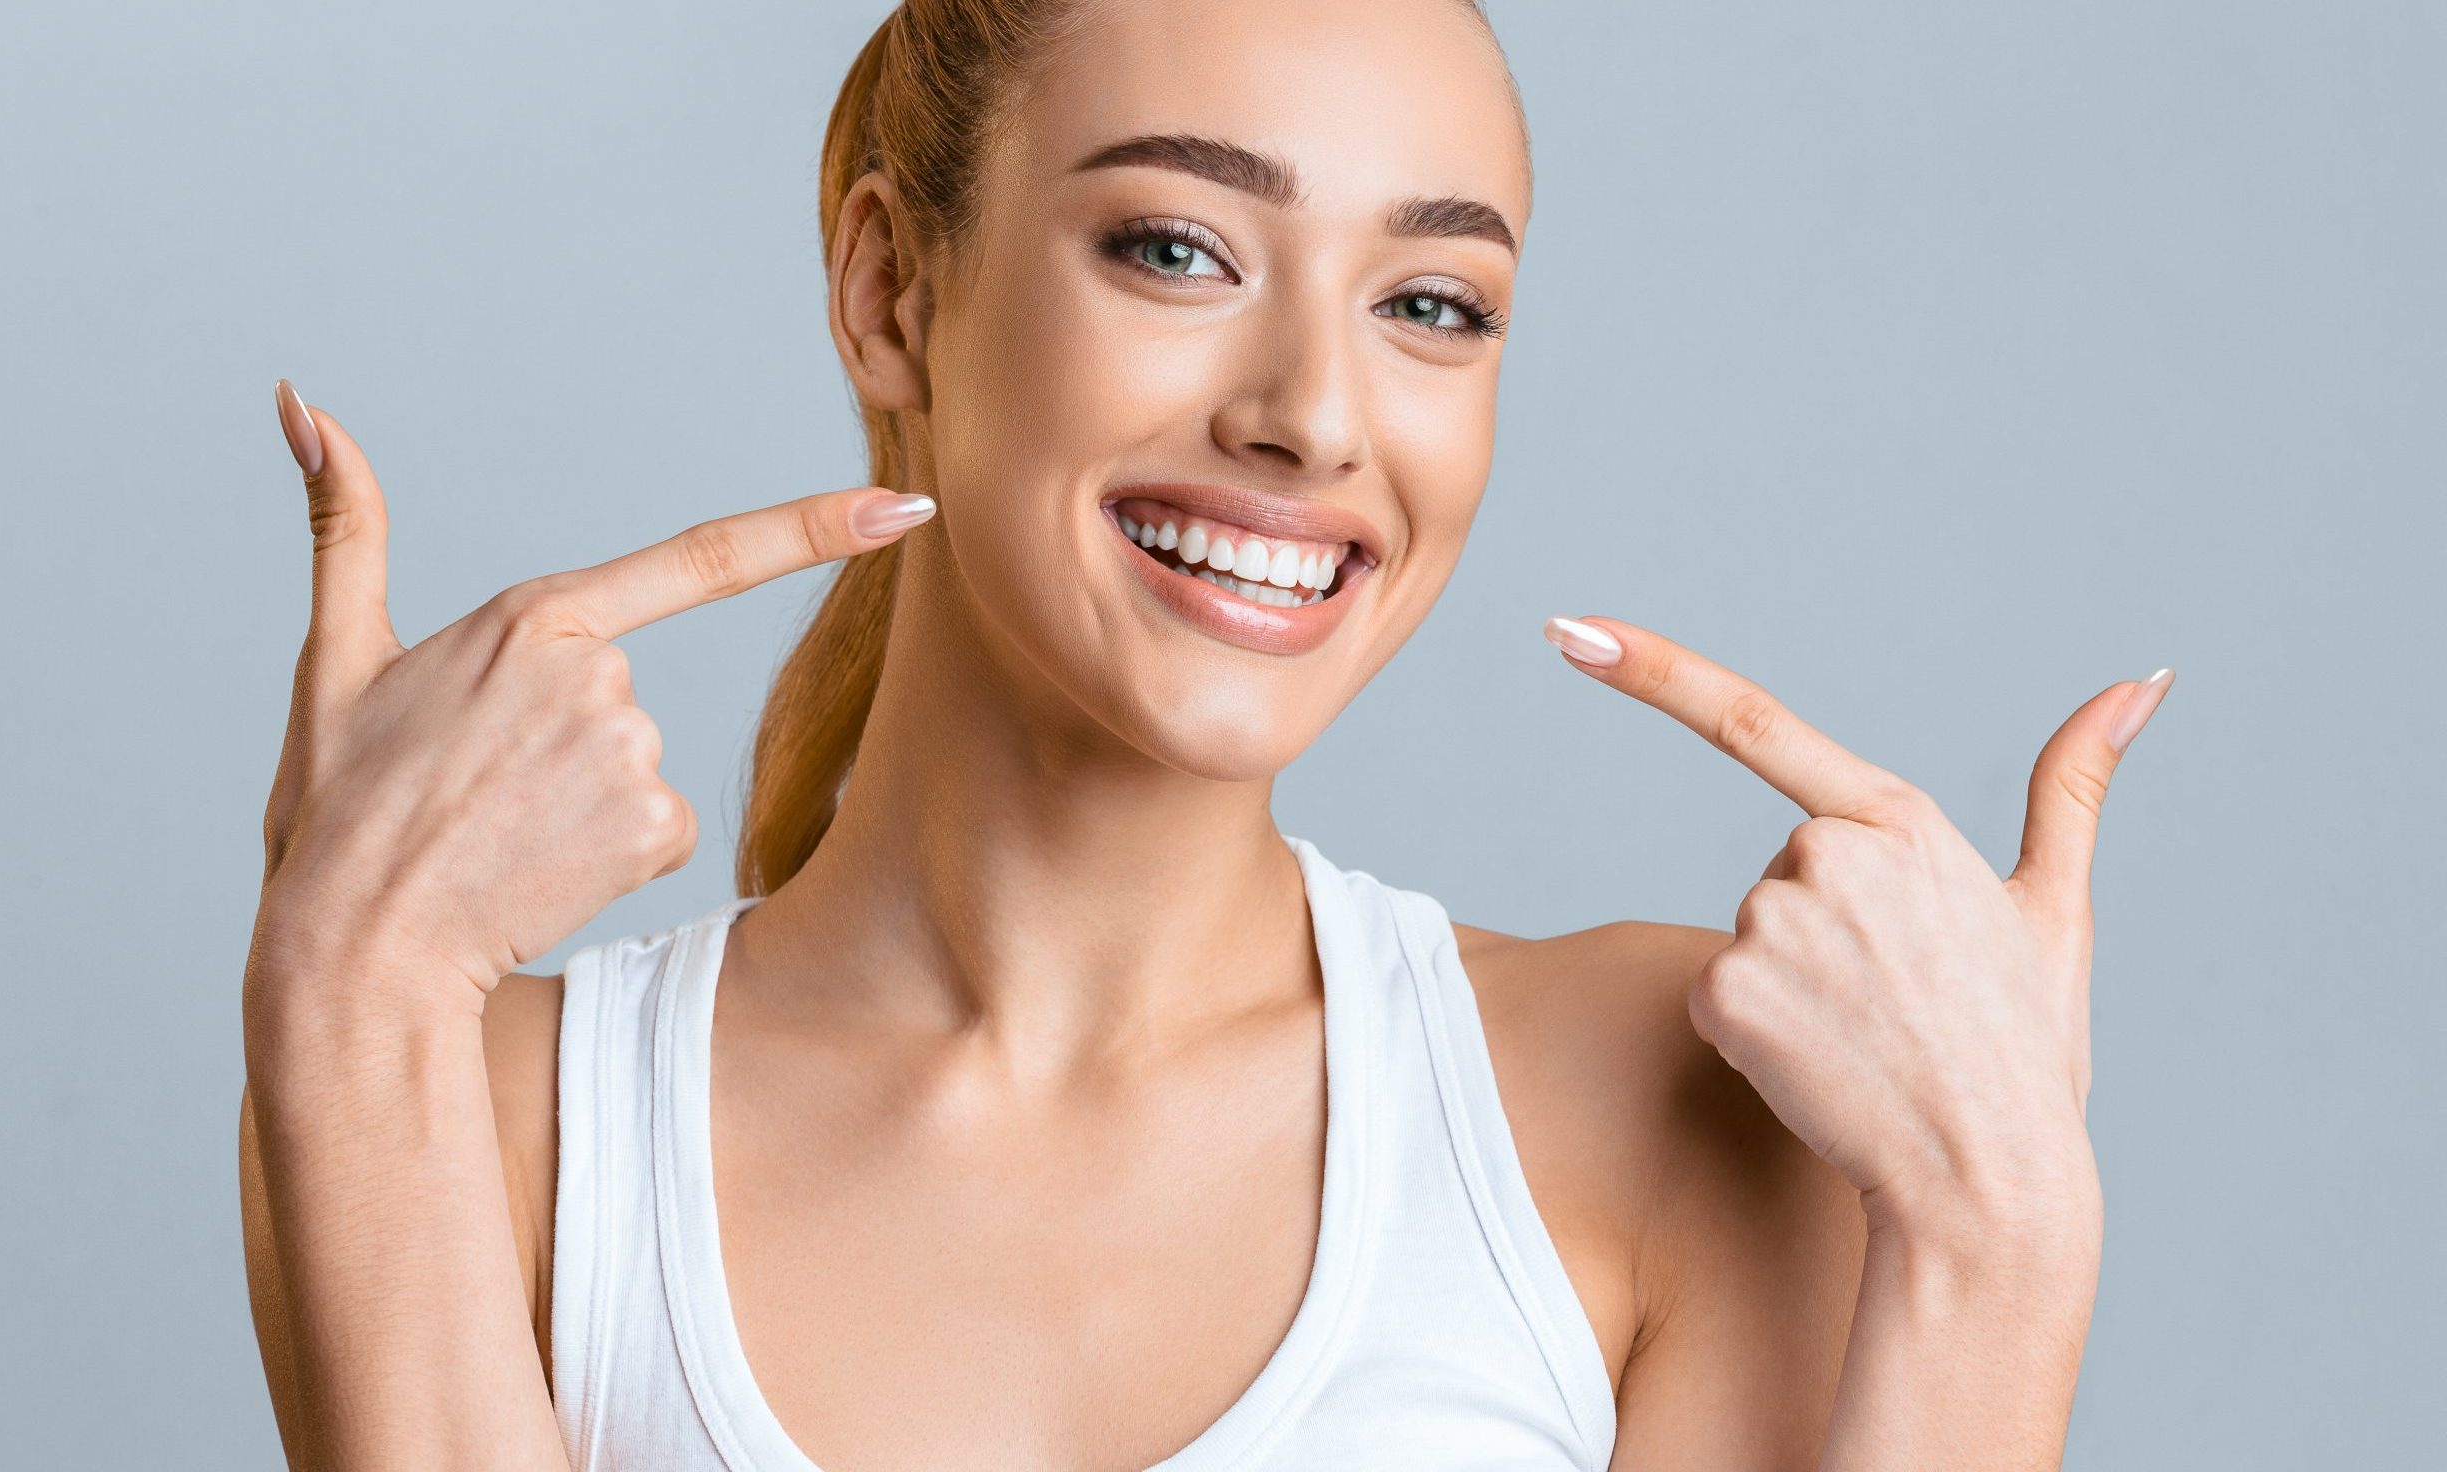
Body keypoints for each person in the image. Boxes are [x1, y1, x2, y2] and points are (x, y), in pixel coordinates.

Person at [236, 0, 2173, 1467]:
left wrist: (2000, 1237)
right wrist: (347, 980)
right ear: (890, 290)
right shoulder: (484, 1103)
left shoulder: (1664, 1110)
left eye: (1432, 303)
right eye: (1177, 250)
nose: (1313, 414)